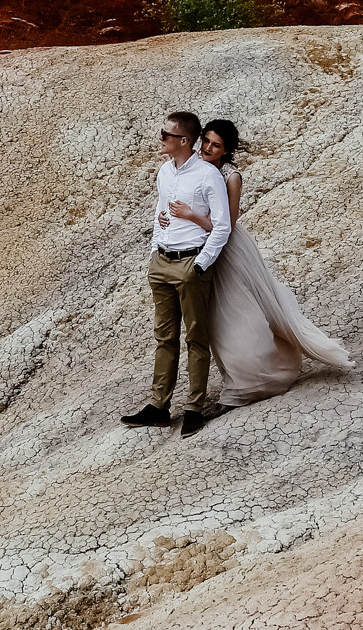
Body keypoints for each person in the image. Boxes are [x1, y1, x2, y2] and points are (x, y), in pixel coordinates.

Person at [163, 118, 351, 431]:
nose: (208, 148)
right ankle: (239, 377)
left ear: (226, 150)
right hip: (197, 248)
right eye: (206, 141)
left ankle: (251, 382)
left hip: (226, 251)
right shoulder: (194, 166)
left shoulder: (230, 176)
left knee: (234, 314)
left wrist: (191, 216)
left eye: (216, 145)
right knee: (213, 320)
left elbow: (227, 225)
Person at [122, 112, 231, 436]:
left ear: (184, 140)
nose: (161, 139)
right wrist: (154, 253)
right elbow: (160, 212)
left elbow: (222, 226)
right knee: (164, 338)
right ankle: (159, 407)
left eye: (165, 134)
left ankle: (194, 409)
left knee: (196, 338)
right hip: (162, 263)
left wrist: (201, 264)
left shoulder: (207, 175)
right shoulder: (165, 172)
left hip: (190, 263)